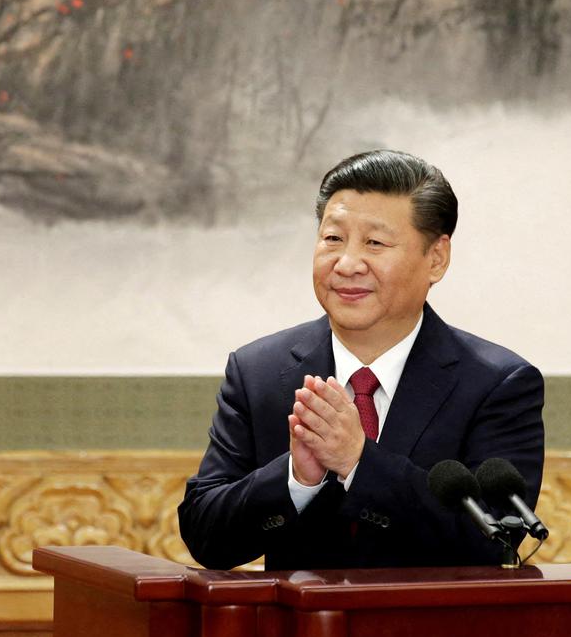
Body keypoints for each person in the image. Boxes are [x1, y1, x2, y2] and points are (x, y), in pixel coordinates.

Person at [179, 150, 545, 570]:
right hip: (300, 632)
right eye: (332, 239)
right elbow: (205, 536)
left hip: (435, 634)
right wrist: (296, 479)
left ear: (436, 258)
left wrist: (358, 461)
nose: (347, 263)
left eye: (375, 242)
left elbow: (493, 540)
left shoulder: (496, 383)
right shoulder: (259, 371)